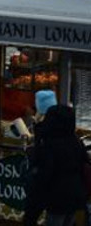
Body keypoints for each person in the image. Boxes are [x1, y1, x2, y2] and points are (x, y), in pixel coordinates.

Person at [24, 97, 89, 226]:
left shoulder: (50, 144)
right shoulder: (76, 142)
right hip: (75, 195)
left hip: (56, 199)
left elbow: (43, 176)